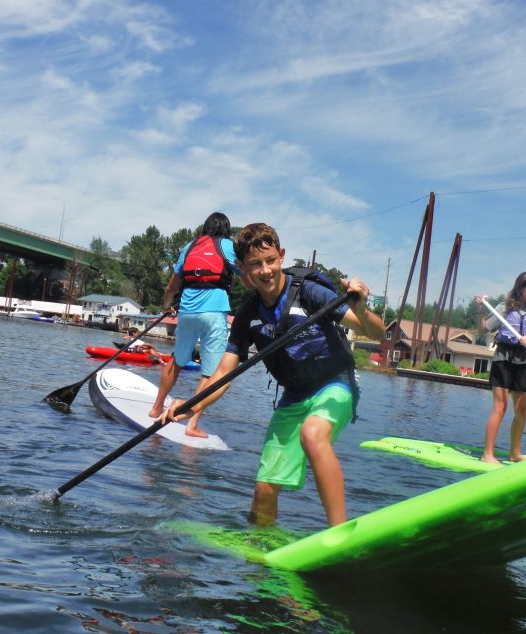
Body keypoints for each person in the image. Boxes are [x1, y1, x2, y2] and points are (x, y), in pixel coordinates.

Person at [163, 223, 385, 527]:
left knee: (312, 433)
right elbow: (224, 373)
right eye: (255, 264)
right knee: (265, 490)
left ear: (280, 256)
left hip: (335, 385)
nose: (265, 270)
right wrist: (190, 405)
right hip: (294, 397)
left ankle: (340, 532)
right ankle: (262, 551)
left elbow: (376, 332)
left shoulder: (309, 292)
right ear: (242, 268)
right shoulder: (248, 314)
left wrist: (360, 308)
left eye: (270, 260)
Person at [148, 212, 243, 438]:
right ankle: (191, 425)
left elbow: (172, 286)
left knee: (177, 361)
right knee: (211, 372)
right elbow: (246, 272)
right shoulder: (228, 245)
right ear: (227, 229)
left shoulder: (190, 246)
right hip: (214, 312)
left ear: (205, 227)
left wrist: (166, 306)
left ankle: (156, 407)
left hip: (187, 311)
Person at [477, 272, 526, 464]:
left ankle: (514, 453)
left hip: (522, 362)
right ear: (520, 289)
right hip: (503, 360)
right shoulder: (504, 307)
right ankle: (488, 455)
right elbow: (484, 329)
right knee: (500, 407)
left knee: (523, 410)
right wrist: (480, 310)